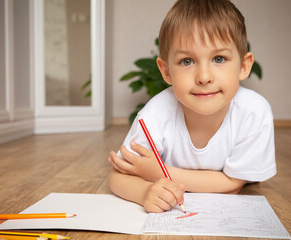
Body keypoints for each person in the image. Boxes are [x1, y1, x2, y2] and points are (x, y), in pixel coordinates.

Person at [108, 0, 276, 213]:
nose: (204, 77)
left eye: (219, 58)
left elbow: (232, 185)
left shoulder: (254, 112)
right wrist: (144, 192)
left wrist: (160, 172)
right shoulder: (154, 114)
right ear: (166, 71)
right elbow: (118, 176)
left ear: (243, 66)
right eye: (187, 61)